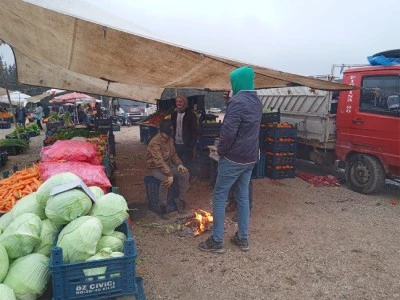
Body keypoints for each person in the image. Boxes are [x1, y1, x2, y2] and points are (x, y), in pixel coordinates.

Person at [198, 66, 262, 253]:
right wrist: (230, 103)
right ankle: (242, 238)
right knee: (242, 197)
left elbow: (228, 133)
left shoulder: (238, 102)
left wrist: (222, 152)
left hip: (233, 158)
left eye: (233, 82)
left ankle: (217, 241)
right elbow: (245, 122)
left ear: (238, 82)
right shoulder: (256, 102)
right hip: (250, 158)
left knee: (219, 196)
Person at [146, 119, 190, 220]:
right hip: (155, 167)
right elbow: (159, 161)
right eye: (164, 134)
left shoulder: (170, 139)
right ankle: (163, 207)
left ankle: (180, 200)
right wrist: (170, 174)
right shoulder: (154, 143)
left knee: (185, 174)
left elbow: (173, 154)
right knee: (166, 180)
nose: (166, 136)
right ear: (162, 131)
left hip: (167, 165)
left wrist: (179, 164)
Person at [170, 95, 198, 169]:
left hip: (187, 143)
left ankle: (188, 178)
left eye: (180, 101)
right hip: (176, 143)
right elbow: (172, 127)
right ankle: (178, 178)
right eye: (177, 101)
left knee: (188, 163)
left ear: (185, 103)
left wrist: (191, 145)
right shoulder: (174, 114)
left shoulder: (191, 115)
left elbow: (195, 131)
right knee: (177, 162)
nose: (178, 103)